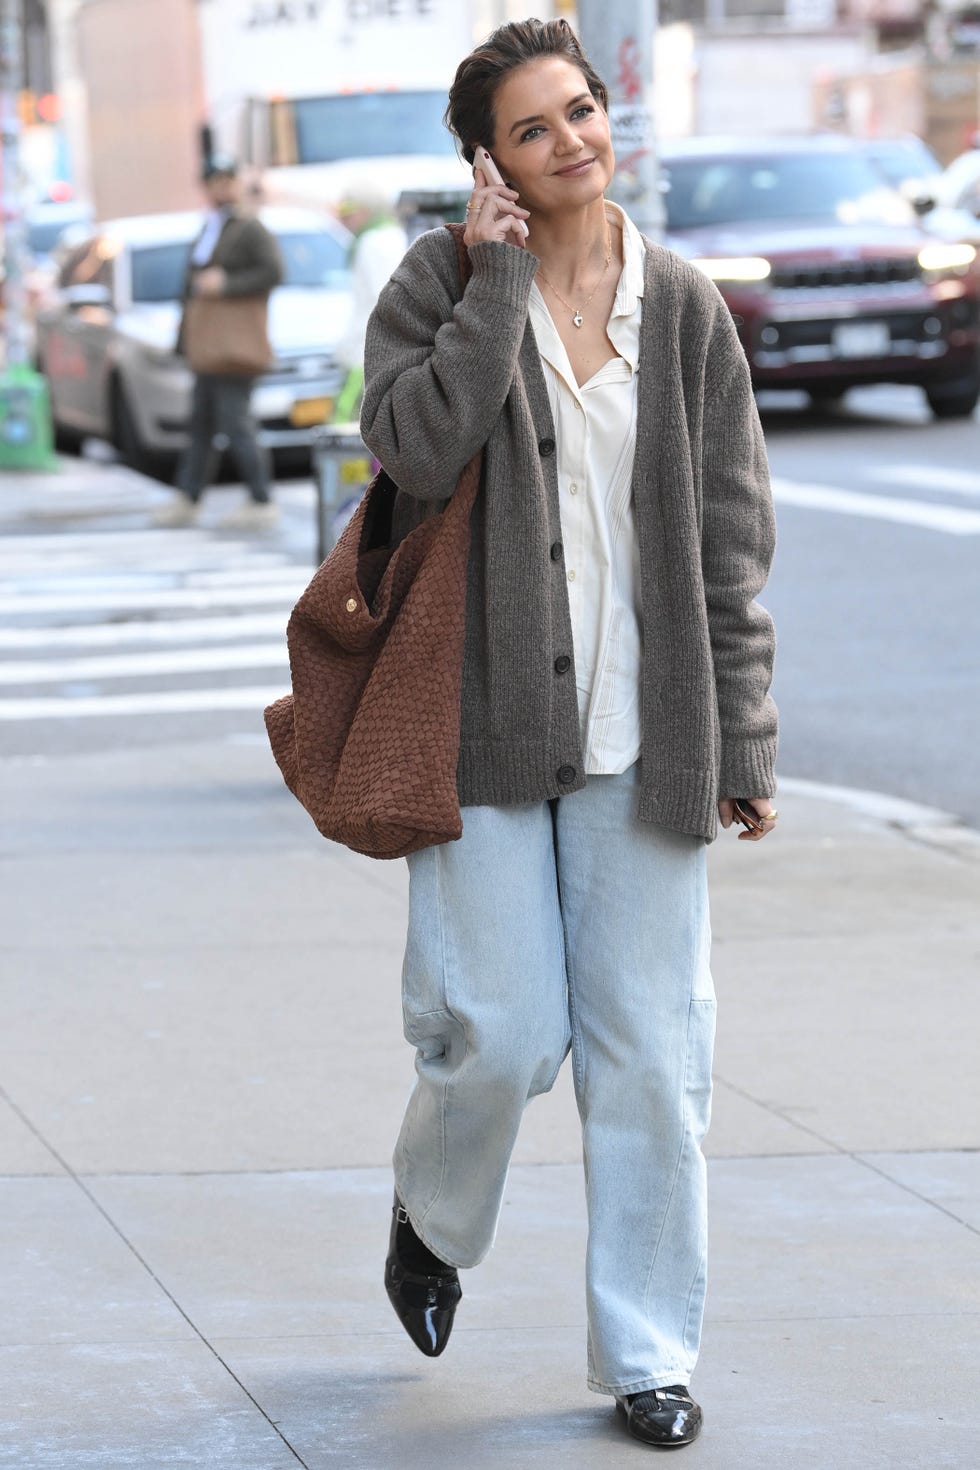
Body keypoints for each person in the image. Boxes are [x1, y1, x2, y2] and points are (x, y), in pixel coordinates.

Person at [359, 18, 778, 1452]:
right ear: (489, 160)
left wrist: (746, 736)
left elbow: (728, 541)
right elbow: (412, 449)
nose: (574, 142)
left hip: (646, 737)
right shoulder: (436, 280)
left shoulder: (687, 306)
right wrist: (489, 284)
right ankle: (432, 1214)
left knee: (653, 1055)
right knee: (498, 1036)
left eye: (582, 110)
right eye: (534, 128)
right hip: (480, 730)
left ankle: (648, 1350)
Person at [155, 154, 283, 530]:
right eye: (216, 181)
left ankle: (261, 498)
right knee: (201, 425)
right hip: (208, 347)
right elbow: (190, 290)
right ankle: (189, 496)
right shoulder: (211, 227)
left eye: (229, 180)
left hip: (233, 347)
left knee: (236, 423)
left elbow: (273, 271)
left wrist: (225, 283)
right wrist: (182, 343)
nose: (223, 188)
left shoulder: (248, 227)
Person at [331, 186, 408, 425]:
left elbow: (381, 297)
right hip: (376, 347)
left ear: (368, 211)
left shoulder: (373, 241)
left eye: (351, 212)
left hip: (365, 352)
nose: (346, 220)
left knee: (349, 420)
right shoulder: (391, 235)